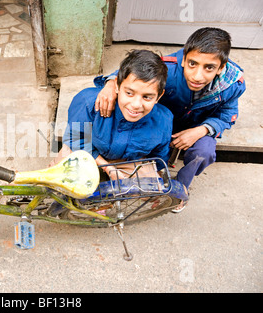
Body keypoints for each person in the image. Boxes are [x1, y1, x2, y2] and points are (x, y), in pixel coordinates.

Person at [94, 27, 246, 212]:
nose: (197, 76)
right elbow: (131, 73)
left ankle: (179, 189)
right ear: (183, 58)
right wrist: (111, 84)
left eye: (209, 68)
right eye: (192, 64)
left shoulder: (232, 85)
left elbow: (226, 116)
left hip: (195, 128)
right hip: (158, 123)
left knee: (204, 151)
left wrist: (201, 130)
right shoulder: (168, 68)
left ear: (221, 67)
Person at [48, 49, 173, 216]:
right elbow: (76, 140)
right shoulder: (89, 103)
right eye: (129, 93)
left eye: (147, 97)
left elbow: (159, 154)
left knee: (153, 188)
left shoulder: (163, 120)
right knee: (59, 180)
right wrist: (109, 170)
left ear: (159, 96)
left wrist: (154, 175)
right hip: (86, 152)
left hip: (127, 161)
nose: (136, 104)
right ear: (117, 86)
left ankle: (108, 194)